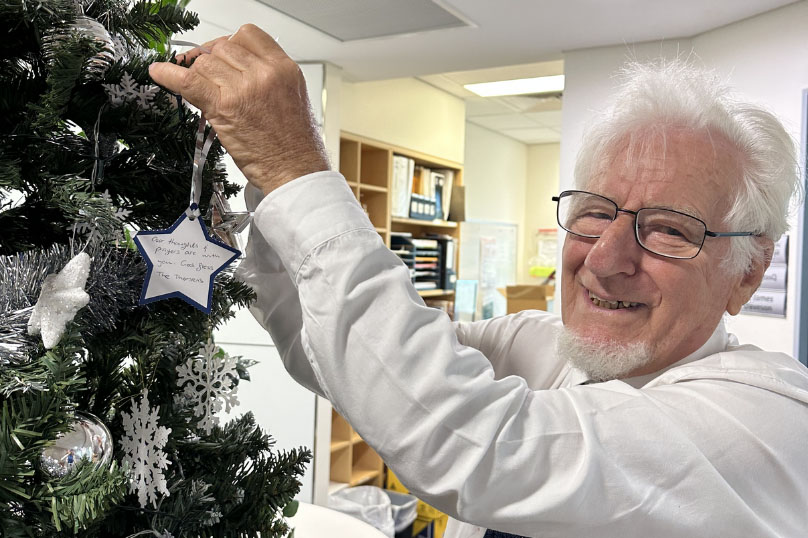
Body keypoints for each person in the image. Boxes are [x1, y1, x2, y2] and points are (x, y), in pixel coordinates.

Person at [149, 24, 808, 537]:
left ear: (747, 273)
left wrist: (296, 165)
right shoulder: (538, 346)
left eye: (667, 228)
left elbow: (474, 443)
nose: (604, 258)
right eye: (594, 213)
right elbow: (345, 355)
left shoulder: (769, 422)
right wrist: (264, 178)